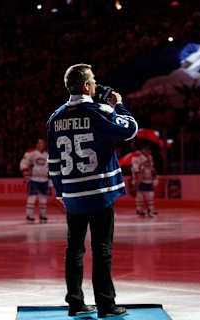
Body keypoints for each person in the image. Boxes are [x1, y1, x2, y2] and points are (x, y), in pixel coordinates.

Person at [47, 64, 138, 318]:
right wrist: (118, 105)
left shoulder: (55, 118)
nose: (96, 84)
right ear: (86, 86)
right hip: (100, 191)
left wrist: (60, 193)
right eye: (93, 81)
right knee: (102, 249)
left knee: (74, 249)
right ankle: (106, 305)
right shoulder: (100, 112)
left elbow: (53, 163)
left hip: (73, 195)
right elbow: (130, 130)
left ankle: (75, 303)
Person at [20, 138, 49, 223]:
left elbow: (50, 166)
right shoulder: (30, 153)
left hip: (44, 179)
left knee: (43, 198)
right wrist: (26, 175)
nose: (41, 145)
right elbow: (24, 163)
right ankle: (29, 215)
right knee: (32, 197)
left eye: (43, 143)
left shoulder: (47, 154)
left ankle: (42, 215)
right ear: (36, 144)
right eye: (39, 143)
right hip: (34, 178)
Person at [131, 144, 158, 217]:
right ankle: (139, 210)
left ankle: (151, 209)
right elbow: (135, 168)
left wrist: (155, 176)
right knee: (140, 196)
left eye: (150, 150)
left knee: (150, 195)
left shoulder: (150, 157)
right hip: (140, 179)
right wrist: (137, 178)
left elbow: (152, 168)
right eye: (147, 150)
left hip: (148, 179)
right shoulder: (136, 157)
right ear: (143, 150)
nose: (149, 152)